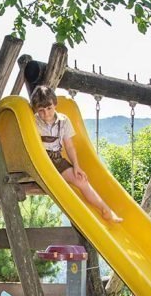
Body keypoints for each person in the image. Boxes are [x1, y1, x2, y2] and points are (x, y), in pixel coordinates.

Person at [30, 85, 123, 223]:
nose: (46, 114)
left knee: (81, 181)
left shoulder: (63, 121)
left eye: (49, 108)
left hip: (56, 159)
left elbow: (69, 145)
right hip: (41, 161)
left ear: (55, 105)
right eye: (41, 111)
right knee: (58, 185)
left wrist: (76, 166)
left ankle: (106, 210)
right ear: (37, 110)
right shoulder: (33, 121)